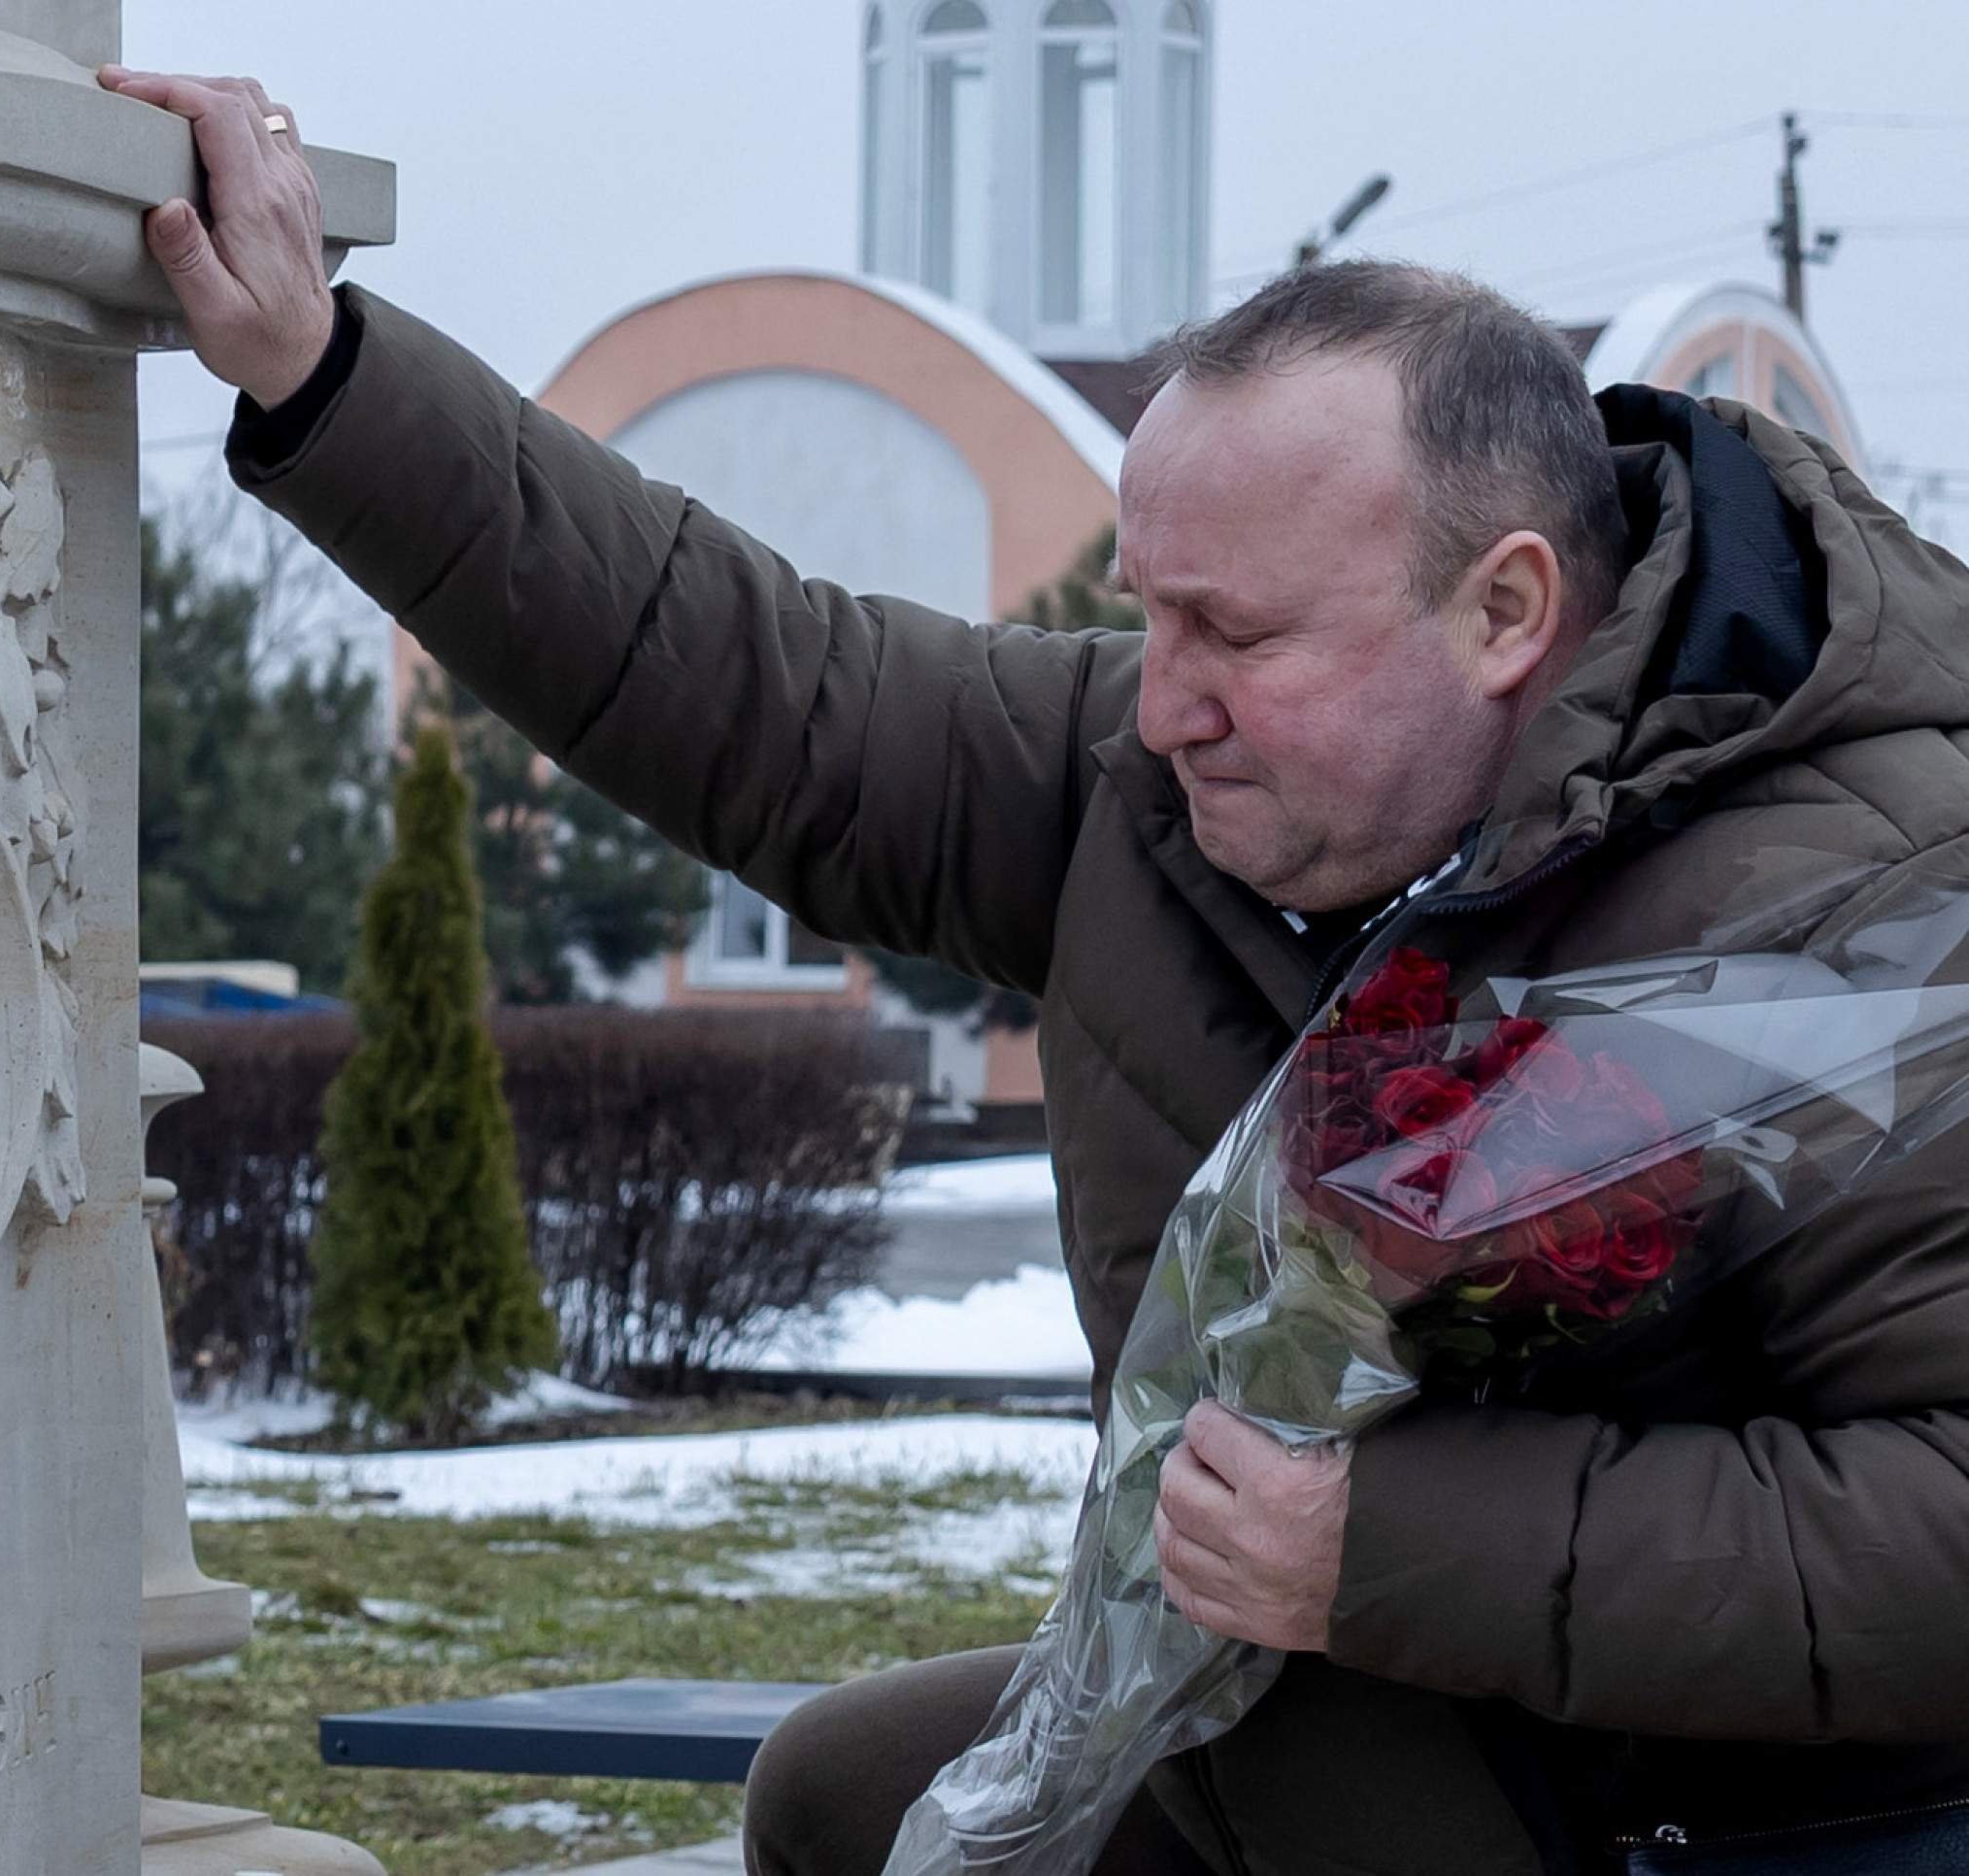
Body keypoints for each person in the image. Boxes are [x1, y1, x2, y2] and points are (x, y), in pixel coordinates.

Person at [98, 66, 1969, 1876]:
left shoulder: (1867, 906)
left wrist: (1377, 1546)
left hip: (1743, 1818)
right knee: (850, 1800)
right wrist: (320, 372)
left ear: (1501, 609)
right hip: (1333, 1712)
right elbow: (751, 683)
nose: (1160, 708)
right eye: (1147, 617)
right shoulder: (1153, 791)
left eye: (1231, 633)